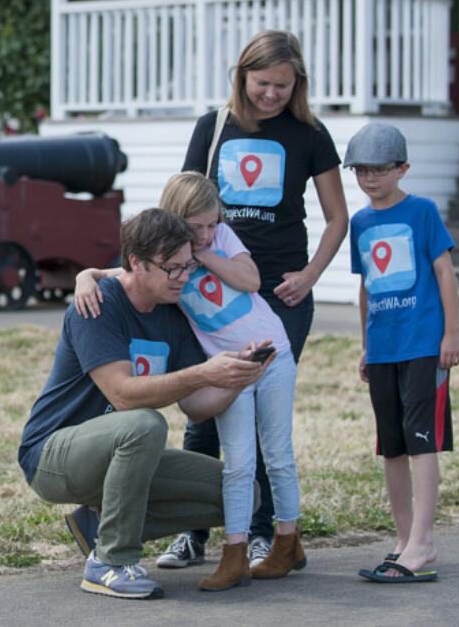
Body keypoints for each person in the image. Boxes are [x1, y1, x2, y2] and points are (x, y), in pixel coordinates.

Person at [17, 208, 271, 600]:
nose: (184, 278)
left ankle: (99, 525)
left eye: (187, 267)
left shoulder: (173, 314)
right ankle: (111, 562)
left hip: (122, 451)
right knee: (145, 423)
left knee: (241, 495)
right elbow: (121, 393)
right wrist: (204, 373)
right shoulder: (98, 303)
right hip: (53, 455)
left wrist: (236, 377)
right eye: (173, 269)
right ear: (136, 262)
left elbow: (197, 407)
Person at [165, 28, 348, 568]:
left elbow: (338, 217)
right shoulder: (213, 127)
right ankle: (192, 531)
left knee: (267, 420)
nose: (272, 94)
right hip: (209, 295)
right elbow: (182, 206)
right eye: (263, 83)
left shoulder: (310, 134)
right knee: (205, 414)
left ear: (299, 85)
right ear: (242, 76)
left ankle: (266, 533)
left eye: (284, 86)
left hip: (280, 298)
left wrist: (311, 275)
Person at [75, 172, 305, 591]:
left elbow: (251, 281)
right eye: (195, 226)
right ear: (176, 220)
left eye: (211, 223)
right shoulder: (166, 258)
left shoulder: (221, 241)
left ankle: (288, 542)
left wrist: (205, 255)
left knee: (277, 454)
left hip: (272, 354)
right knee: (238, 462)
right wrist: (85, 275)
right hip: (227, 367)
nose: (205, 233)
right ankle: (233, 554)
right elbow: (123, 271)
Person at [344, 121, 459, 584]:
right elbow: (367, 288)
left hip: (421, 344)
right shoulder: (360, 222)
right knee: (390, 445)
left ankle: (424, 541)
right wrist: (366, 346)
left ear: (402, 168)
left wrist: (451, 335)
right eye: (361, 171)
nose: (370, 179)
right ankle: (405, 538)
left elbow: (445, 273)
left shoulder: (423, 211)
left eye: (380, 169)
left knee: (420, 440)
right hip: (384, 348)